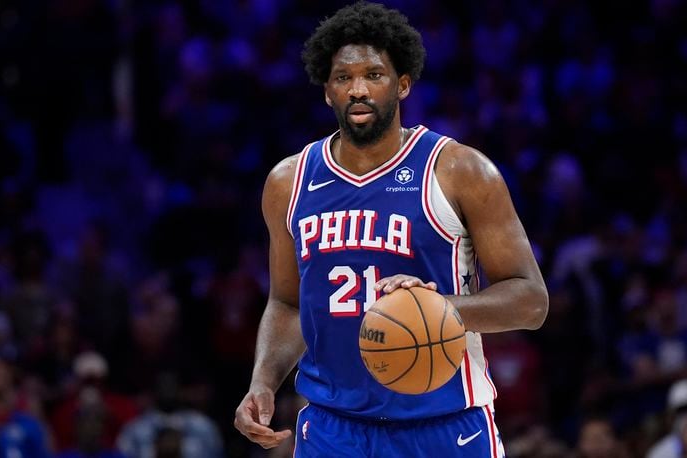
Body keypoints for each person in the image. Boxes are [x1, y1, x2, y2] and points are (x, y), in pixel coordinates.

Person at [233, 2, 548, 456]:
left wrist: (437, 308)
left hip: (444, 425)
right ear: (327, 91)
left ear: (402, 85)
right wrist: (262, 382)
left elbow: (531, 302)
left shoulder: (460, 171)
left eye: (374, 75)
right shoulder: (289, 182)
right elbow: (287, 303)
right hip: (332, 428)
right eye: (343, 78)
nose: (358, 89)